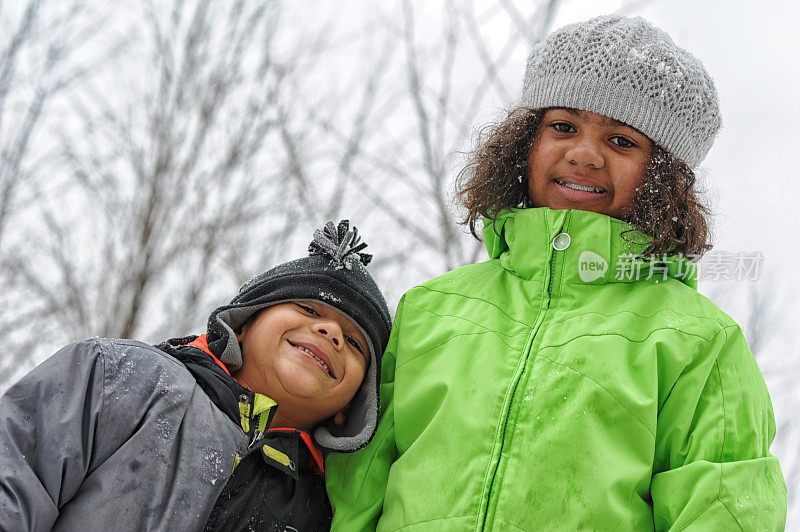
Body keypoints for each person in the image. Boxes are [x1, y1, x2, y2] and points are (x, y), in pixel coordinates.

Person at [325, 15, 787, 531]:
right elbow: (356, 493)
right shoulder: (429, 309)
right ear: (525, 143)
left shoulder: (700, 341)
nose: (584, 154)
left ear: (663, 177)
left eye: (621, 141)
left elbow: (724, 510)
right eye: (563, 127)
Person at [0, 220, 391, 531]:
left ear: (351, 408)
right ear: (241, 325)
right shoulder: (119, 378)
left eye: (356, 344)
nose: (332, 333)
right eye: (309, 309)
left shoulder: (330, 512)